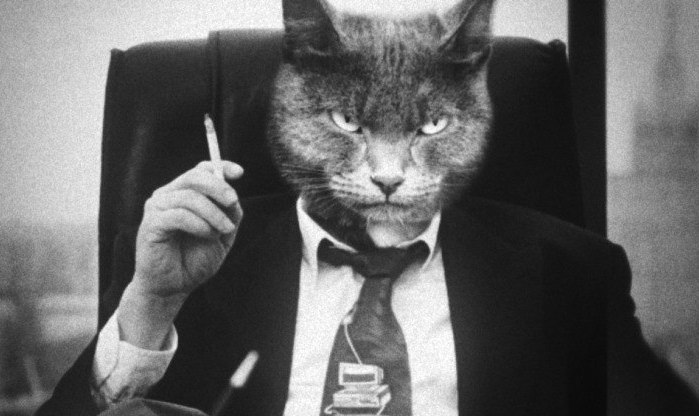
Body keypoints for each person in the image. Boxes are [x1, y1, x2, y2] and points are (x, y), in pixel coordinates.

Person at [37, 0, 699, 415]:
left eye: (427, 127)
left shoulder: (572, 273)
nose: (387, 173)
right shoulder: (192, 265)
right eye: (350, 122)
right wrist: (151, 304)